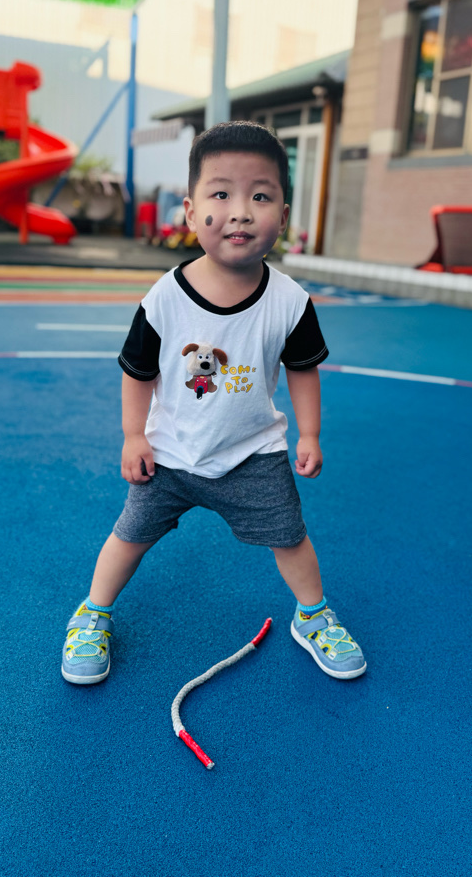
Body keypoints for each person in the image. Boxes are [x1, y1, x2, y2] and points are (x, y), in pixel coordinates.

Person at [61, 121, 366, 684]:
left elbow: (303, 369)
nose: (241, 212)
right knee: (129, 536)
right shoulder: (164, 299)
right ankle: (92, 613)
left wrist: (310, 434)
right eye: (221, 194)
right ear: (190, 211)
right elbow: (138, 372)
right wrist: (134, 436)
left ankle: (313, 615)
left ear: (283, 215)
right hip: (171, 454)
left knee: (291, 537)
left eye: (260, 197)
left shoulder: (290, 302)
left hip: (253, 455)